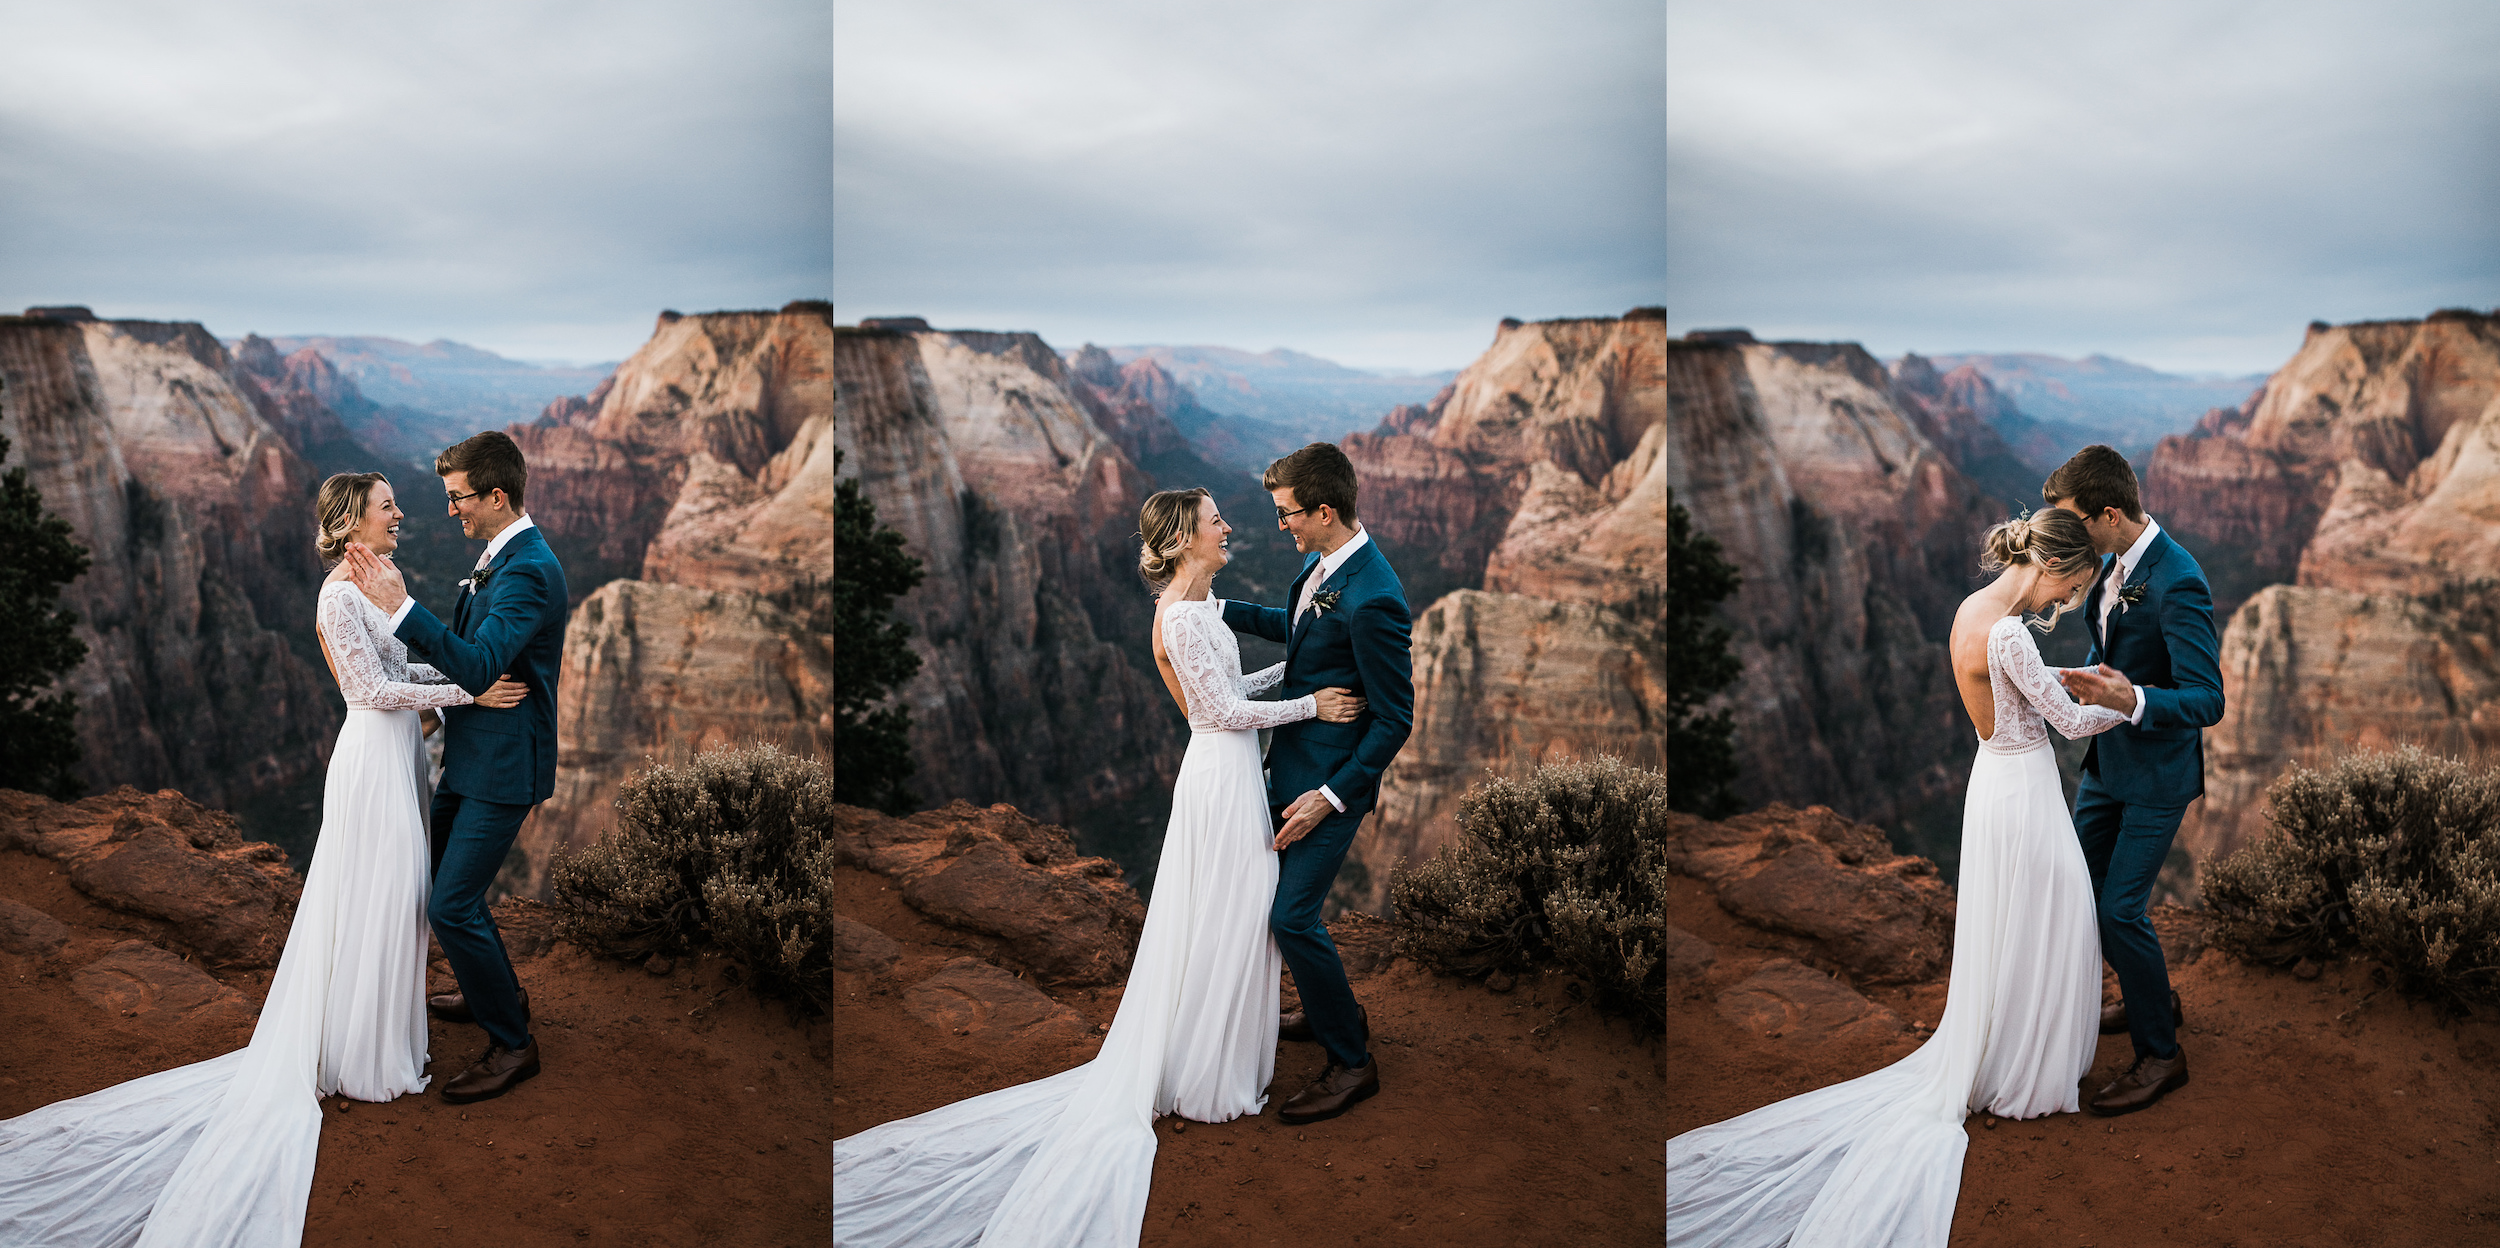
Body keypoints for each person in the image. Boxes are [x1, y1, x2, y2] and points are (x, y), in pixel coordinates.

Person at [0, 472, 528, 1246]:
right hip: (370, 761)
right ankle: (361, 1051)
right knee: (373, 893)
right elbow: (370, 692)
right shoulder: (336, 597)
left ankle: (381, 1026)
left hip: (402, 764)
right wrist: (466, 698)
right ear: (353, 523)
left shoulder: (381, 582)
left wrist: (458, 677)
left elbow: (406, 668)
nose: (402, 514)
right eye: (388, 507)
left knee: (398, 896)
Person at [833, 487, 1367, 1247]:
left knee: (1233, 915)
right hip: (1220, 779)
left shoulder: (1202, 609)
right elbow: (1213, 717)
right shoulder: (1181, 616)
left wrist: (1286, 675)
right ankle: (1208, 1072)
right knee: (1232, 913)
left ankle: (1213, 1047)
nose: (1228, 528)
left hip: (1232, 770)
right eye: (1216, 520)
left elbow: (1224, 693)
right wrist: (1314, 705)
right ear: (1186, 539)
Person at [1667, 507, 2130, 1245]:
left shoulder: (1971, 610)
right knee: (2058, 909)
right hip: (2024, 793)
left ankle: (2010, 1045)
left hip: (1994, 780)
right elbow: (2068, 723)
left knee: (2019, 918)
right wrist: (2127, 701)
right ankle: (2028, 1074)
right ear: (2053, 565)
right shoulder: (2009, 631)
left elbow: (2016, 699)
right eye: (2069, 587)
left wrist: (2063, 688)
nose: (2064, 602)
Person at [342, 429, 569, 1104]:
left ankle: (513, 1045)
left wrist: (400, 607)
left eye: (459, 498)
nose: (451, 512)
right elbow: (467, 668)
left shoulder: (529, 569)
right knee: (435, 879)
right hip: (474, 755)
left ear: (497, 496)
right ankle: (492, 991)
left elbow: (475, 665)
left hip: (505, 765)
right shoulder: (502, 556)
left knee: (451, 901)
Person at [1219, 441, 1414, 1124]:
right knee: (1280, 909)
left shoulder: (1374, 600)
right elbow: (1299, 636)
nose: (1282, 526)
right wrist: (1217, 611)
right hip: (1290, 763)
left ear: (1325, 510)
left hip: (1331, 788)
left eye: (1287, 514)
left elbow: (1395, 720)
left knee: (1291, 917)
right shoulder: (1322, 565)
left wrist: (1329, 799)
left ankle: (1352, 1062)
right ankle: (1337, 1009)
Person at [2044, 444, 2223, 1116]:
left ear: (2109, 513)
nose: (2065, 536)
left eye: (2073, 522)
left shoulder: (2179, 580)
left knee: (2121, 909)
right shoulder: (2117, 564)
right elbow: (2113, 646)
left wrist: (2134, 701)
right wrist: (2085, 677)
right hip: (2106, 770)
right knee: (2079, 892)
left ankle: (2160, 1055)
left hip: (2156, 778)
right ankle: (2158, 999)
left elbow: (2207, 699)